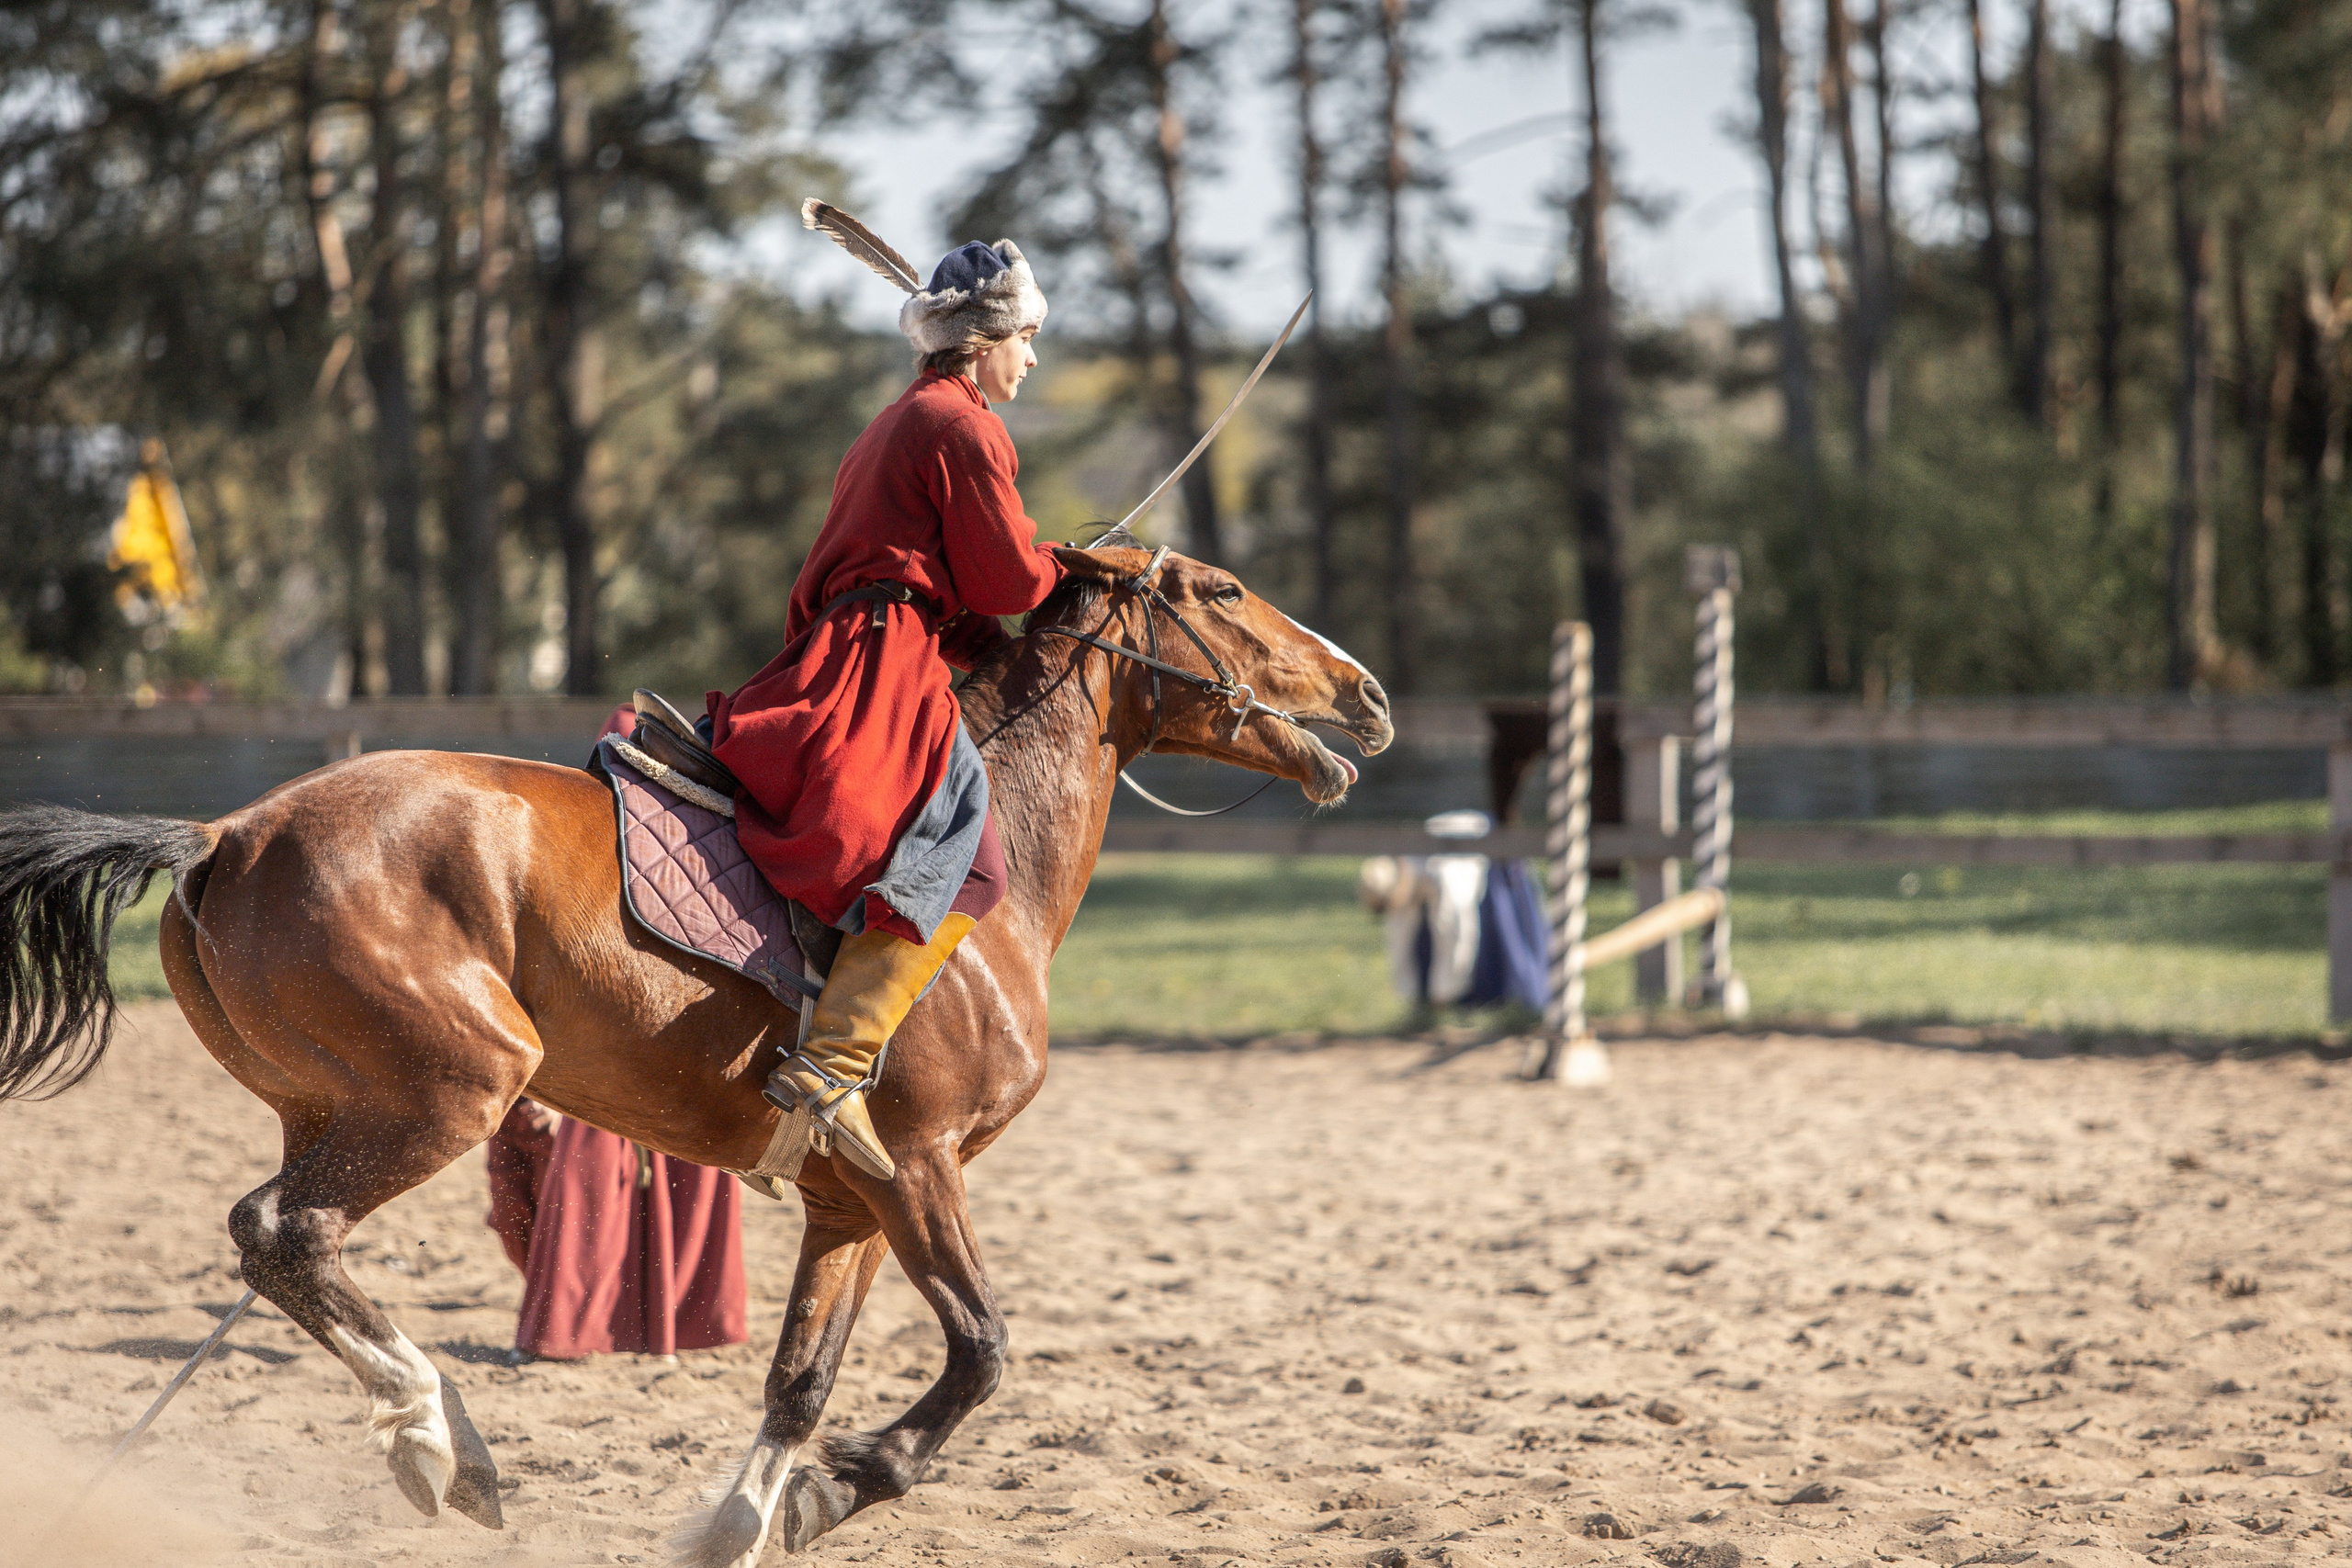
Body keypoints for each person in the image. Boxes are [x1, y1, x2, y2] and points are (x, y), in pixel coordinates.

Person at [705, 207, 1064, 1183]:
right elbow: (1008, 584)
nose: (1032, 361)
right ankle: (833, 1065)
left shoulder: (899, 421)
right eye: (1026, 339)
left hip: (857, 640)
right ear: (983, 342)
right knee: (964, 849)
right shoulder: (961, 425)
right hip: (883, 659)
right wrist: (1060, 565)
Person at [478, 702, 750, 1362]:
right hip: (604, 1041)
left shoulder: (707, 860)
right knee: (551, 1153)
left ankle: (647, 1323)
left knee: (667, 1158)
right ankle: (603, 1323)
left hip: (665, 1043)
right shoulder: (575, 852)